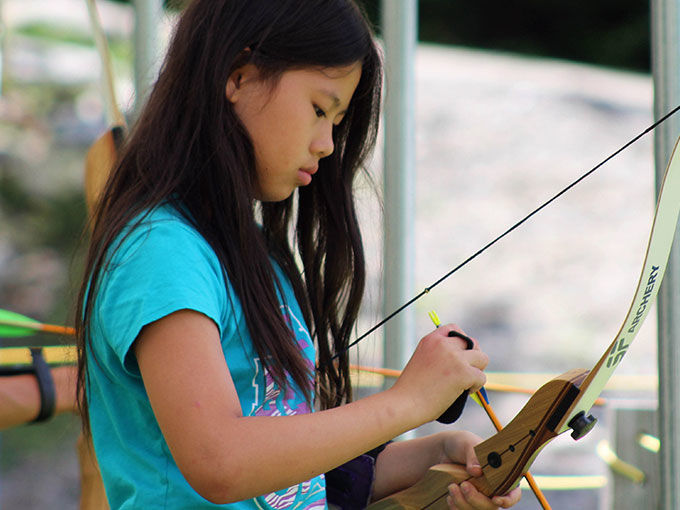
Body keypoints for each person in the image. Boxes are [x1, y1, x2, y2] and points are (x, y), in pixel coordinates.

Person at [72, 1, 522, 509]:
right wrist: (407, 402)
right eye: (318, 109)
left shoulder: (256, 259)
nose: (329, 144)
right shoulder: (161, 251)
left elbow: (293, 481)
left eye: (337, 120)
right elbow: (220, 462)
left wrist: (435, 457)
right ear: (238, 76)